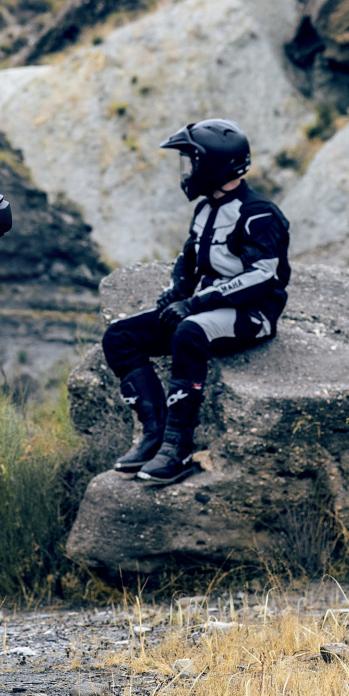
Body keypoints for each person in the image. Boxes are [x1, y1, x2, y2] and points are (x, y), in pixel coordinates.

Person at [101, 119, 291, 486]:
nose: (185, 171)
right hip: (208, 307)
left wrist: (194, 304)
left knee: (188, 332)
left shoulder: (260, 214)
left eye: (191, 162)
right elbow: (189, 256)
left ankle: (178, 447)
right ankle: (153, 436)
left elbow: (262, 276)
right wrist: (177, 290)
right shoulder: (206, 210)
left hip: (252, 315)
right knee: (120, 336)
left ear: (216, 165)